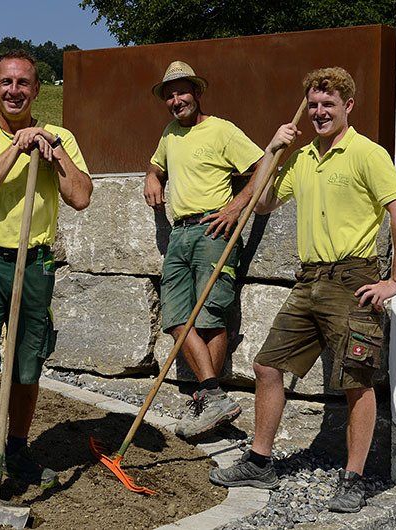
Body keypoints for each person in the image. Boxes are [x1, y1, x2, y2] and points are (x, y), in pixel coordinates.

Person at [209, 67, 396, 514]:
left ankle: (355, 479)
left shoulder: (367, 153)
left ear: (348, 107)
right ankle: (261, 461)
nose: (320, 112)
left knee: (356, 383)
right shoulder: (302, 157)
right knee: (267, 365)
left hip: (353, 280)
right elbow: (263, 202)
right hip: (309, 280)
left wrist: (395, 281)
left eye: (329, 104)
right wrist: (272, 150)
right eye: (314, 105)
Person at [0, 50, 92, 501]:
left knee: (28, 365)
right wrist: (17, 148)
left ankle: (16, 449)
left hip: (36, 263)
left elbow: (82, 197)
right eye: (6, 83)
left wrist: (54, 154)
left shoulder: (60, 136)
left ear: (36, 89)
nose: (14, 91)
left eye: (23, 83)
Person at [144, 61, 264, 438]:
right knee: (176, 315)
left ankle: (206, 404)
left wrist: (237, 204)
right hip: (179, 233)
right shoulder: (169, 134)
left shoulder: (222, 130)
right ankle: (214, 397)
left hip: (215, 229)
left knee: (210, 317)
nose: (176, 100)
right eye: (170, 94)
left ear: (197, 93)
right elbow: (157, 165)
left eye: (182, 92)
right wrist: (151, 175)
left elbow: (264, 165)